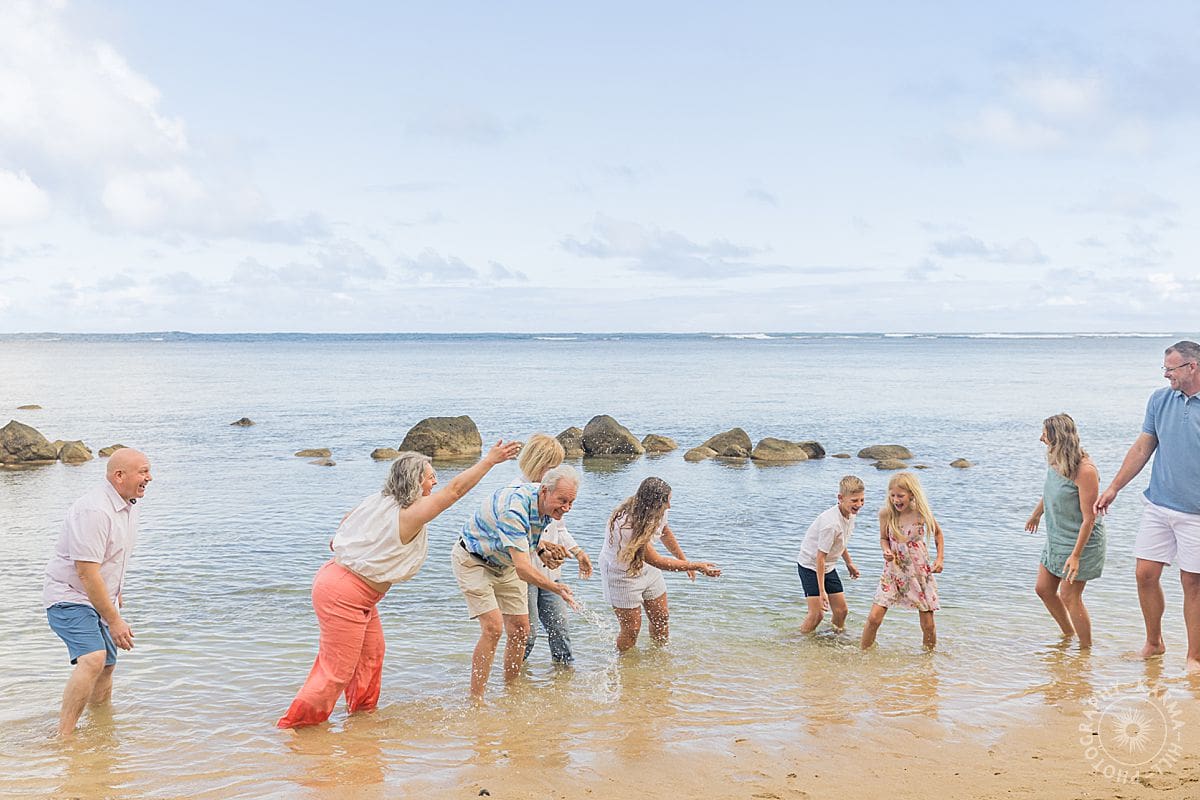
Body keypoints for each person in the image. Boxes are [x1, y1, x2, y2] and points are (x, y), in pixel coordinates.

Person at [277, 440, 520, 728]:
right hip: (343, 593)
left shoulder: (380, 501)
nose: (435, 481)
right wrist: (489, 461)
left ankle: (362, 718)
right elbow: (454, 491)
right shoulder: (409, 514)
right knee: (336, 671)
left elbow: (342, 529)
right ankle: (297, 728)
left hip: (348, 588)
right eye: (430, 476)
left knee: (372, 654)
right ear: (416, 481)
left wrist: (347, 545)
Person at [1095, 340, 1200, 670]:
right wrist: (1114, 487)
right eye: (1165, 369)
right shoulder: (1159, 400)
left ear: (1192, 367)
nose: (1166, 374)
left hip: (1196, 513)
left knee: (1193, 584)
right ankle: (1154, 644)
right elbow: (1143, 448)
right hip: (1159, 504)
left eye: (1171, 368)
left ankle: (1194, 657)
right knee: (1144, 574)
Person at [43, 447, 153, 737]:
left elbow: (112, 557)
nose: (149, 478)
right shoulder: (94, 510)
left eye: (148, 471)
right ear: (119, 476)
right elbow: (86, 571)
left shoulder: (128, 505)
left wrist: (116, 594)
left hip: (97, 597)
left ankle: (100, 730)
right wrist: (114, 620)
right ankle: (64, 737)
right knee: (93, 658)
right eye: (143, 471)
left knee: (107, 665)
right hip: (68, 595)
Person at [453, 463, 581, 700]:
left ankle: (511, 692)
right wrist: (556, 587)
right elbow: (523, 568)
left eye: (571, 502)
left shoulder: (543, 503)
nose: (567, 508)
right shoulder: (515, 509)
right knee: (493, 628)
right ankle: (476, 699)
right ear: (544, 491)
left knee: (522, 630)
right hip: (473, 560)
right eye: (563, 501)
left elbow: (525, 540)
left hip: (504, 562)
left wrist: (541, 551)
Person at [599, 477, 721, 653]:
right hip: (621, 574)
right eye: (667, 502)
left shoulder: (659, 510)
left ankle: (660, 660)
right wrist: (694, 566)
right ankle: (623, 669)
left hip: (646, 569)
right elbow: (656, 560)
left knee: (661, 618)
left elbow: (664, 531)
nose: (669, 507)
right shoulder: (626, 525)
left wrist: (683, 559)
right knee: (632, 630)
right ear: (654, 503)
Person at [1025, 413, 1106, 648]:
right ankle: (1068, 635)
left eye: (1045, 434)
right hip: (1057, 537)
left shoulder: (1085, 470)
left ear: (1057, 437)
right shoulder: (1054, 459)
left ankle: (1084, 650)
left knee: (1071, 596)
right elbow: (1051, 490)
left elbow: (1089, 518)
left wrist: (1076, 555)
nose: (1041, 438)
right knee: (1043, 589)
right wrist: (1037, 513)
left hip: (1082, 541)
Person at [516, 435, 593, 666]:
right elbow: (523, 537)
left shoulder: (554, 490)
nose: (555, 470)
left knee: (560, 631)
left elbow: (559, 528)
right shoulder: (518, 492)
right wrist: (542, 552)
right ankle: (514, 682)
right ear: (537, 462)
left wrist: (578, 552)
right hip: (525, 574)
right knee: (527, 635)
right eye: (552, 465)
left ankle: (564, 682)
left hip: (550, 574)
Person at [860, 472, 944, 650]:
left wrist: (939, 559)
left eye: (900, 496)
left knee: (928, 624)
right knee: (874, 618)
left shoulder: (921, 514)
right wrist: (886, 550)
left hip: (919, 572)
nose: (896, 500)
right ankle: (863, 655)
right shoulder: (886, 514)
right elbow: (883, 538)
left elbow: (938, 534)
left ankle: (928, 661)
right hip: (893, 571)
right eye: (892, 495)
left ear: (911, 494)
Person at [796, 476, 865, 634]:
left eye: (862, 500)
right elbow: (820, 557)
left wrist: (849, 563)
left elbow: (840, 542)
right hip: (810, 566)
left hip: (828, 567)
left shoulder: (850, 515)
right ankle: (798, 641)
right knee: (817, 615)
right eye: (854, 500)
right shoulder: (831, 523)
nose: (859, 505)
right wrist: (822, 592)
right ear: (840, 498)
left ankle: (834, 639)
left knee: (841, 611)